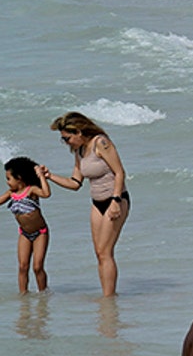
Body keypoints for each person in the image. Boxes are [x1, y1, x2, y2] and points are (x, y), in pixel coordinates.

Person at [38, 112, 128, 296]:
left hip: (115, 200)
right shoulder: (79, 151)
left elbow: (119, 172)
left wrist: (116, 201)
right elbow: (75, 183)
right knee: (99, 253)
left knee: (105, 252)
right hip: (97, 203)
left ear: (78, 132)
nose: (66, 142)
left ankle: (109, 298)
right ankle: (108, 295)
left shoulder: (101, 143)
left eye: (67, 138)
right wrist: (49, 176)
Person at [0, 156, 51, 292]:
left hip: (40, 233)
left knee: (37, 267)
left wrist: (41, 176)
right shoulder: (11, 193)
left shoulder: (31, 190)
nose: (7, 182)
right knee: (23, 267)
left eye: (9, 178)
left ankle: (43, 295)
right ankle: (23, 297)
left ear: (19, 178)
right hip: (24, 234)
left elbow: (46, 194)